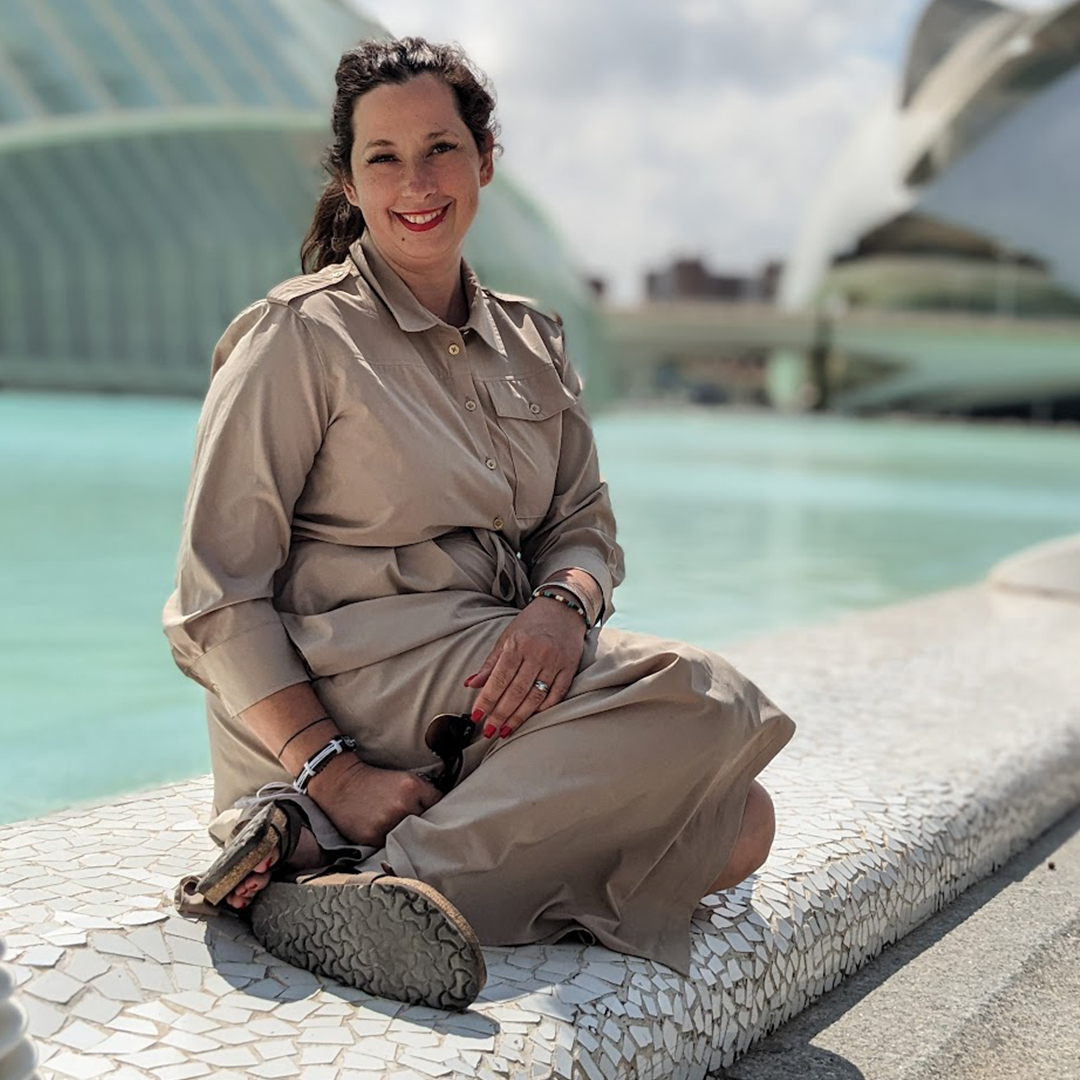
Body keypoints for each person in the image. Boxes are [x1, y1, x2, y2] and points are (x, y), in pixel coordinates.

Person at [164, 37, 795, 1011]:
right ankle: (383, 876)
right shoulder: (297, 337)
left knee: (741, 822)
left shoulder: (534, 339)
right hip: (357, 689)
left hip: (496, 684)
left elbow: (584, 525)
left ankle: (336, 866)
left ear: (485, 157)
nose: (416, 182)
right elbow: (215, 600)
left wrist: (562, 607)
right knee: (704, 695)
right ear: (349, 178)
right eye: (383, 157)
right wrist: (328, 770)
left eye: (440, 149)